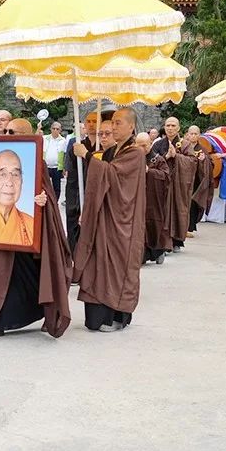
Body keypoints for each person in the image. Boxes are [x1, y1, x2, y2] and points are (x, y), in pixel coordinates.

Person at [0, 118, 72, 339]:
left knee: (37, 273)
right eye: (5, 130)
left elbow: (48, 198)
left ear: (27, 135)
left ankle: (47, 312)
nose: (6, 134)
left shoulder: (36, 161)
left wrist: (43, 201)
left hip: (28, 230)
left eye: (12, 131)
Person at [73, 108, 146, 332]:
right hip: (102, 220)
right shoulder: (110, 152)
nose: (113, 127)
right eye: (112, 123)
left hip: (122, 222)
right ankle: (98, 313)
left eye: (118, 123)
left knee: (117, 266)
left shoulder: (135, 153)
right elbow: (100, 182)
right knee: (98, 263)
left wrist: (86, 155)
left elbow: (112, 176)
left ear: (132, 127)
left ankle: (118, 316)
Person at [64, 111, 109, 251]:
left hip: (97, 194)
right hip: (77, 193)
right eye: (88, 121)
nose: (91, 124)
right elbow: (71, 176)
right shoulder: (77, 147)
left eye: (95, 121)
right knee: (74, 229)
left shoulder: (105, 148)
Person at [152, 117, 196, 251]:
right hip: (162, 184)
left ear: (178, 128)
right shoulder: (157, 144)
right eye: (168, 125)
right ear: (164, 127)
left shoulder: (185, 144)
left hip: (178, 185)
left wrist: (176, 156)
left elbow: (192, 162)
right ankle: (162, 242)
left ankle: (177, 241)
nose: (170, 128)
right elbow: (151, 161)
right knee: (162, 211)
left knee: (178, 210)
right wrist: (165, 157)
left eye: (173, 125)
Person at [137, 132, 172, 264]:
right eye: (138, 145)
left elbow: (166, 176)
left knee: (154, 224)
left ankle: (158, 251)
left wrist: (149, 172)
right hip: (138, 198)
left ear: (150, 144)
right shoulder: (133, 158)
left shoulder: (158, 159)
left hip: (154, 199)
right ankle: (142, 255)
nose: (141, 149)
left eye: (144, 145)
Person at [181, 125, 211, 237]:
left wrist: (204, 161)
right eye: (191, 133)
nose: (193, 136)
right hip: (183, 180)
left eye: (195, 134)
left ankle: (189, 228)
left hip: (196, 182)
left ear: (199, 135)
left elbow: (209, 164)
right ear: (187, 134)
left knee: (192, 204)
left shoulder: (202, 149)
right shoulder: (183, 147)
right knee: (182, 204)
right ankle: (181, 227)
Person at [41, 121, 67, 201]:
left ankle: (55, 202)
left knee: (57, 186)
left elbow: (65, 155)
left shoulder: (63, 140)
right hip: (45, 166)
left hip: (57, 167)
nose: (55, 130)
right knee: (44, 185)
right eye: (53, 128)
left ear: (60, 130)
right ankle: (46, 201)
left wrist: (64, 168)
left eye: (57, 129)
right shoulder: (44, 138)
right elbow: (36, 139)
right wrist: (38, 129)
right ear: (50, 129)